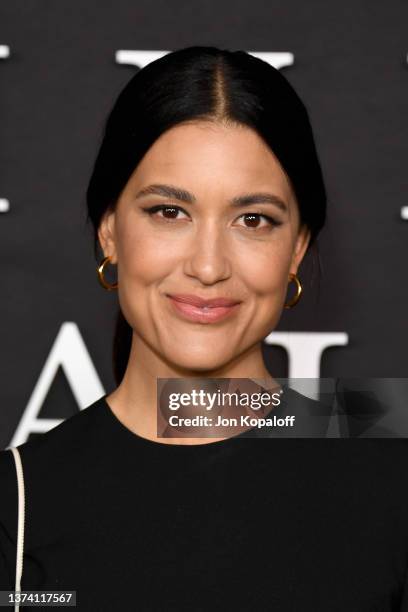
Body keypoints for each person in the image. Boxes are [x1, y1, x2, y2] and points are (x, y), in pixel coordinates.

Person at [1, 45, 408, 611]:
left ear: (297, 247)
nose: (209, 266)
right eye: (169, 212)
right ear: (110, 230)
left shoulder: (390, 463)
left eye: (253, 220)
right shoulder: (19, 502)